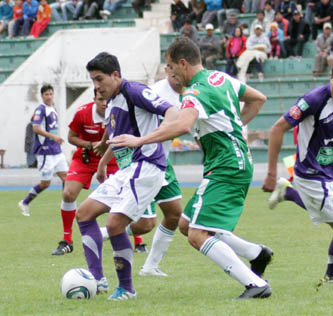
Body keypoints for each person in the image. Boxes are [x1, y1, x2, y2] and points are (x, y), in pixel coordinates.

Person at [108, 37, 274, 299]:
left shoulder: (196, 91)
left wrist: (140, 140)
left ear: (183, 64)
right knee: (186, 224)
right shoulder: (220, 78)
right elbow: (258, 99)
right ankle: (256, 254)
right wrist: (234, 127)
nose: (170, 74)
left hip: (226, 167)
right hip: (231, 162)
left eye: (172, 68)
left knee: (196, 234)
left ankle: (255, 284)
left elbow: (182, 125)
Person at [75, 52, 178, 300]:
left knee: (115, 224)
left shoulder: (135, 91)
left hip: (147, 166)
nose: (97, 86)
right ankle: (97, 280)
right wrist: (103, 161)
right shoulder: (112, 102)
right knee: (84, 213)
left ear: (116, 75)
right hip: (127, 170)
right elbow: (121, 137)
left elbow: (173, 112)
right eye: (93, 80)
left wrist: (145, 140)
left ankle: (127, 289)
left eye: (100, 79)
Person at [263, 58, 333, 287]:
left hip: (332, 174)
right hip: (310, 176)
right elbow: (277, 128)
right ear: (331, 76)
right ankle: (332, 279)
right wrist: (271, 172)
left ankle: (288, 193)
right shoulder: (313, 100)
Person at [101, 66, 185, 277]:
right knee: (146, 224)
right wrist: (104, 161)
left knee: (174, 214)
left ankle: (150, 267)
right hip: (142, 163)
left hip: (162, 162)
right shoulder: (150, 90)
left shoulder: (185, 91)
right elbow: (124, 133)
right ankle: (100, 234)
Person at [51, 90, 119, 256]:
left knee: (123, 197)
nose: (104, 103)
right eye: (101, 99)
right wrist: (89, 144)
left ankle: (137, 241)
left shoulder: (118, 112)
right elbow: (71, 137)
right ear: (94, 99)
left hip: (112, 158)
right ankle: (67, 241)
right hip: (85, 158)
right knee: (68, 193)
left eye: (107, 100)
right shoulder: (82, 113)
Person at [18, 84, 68, 217]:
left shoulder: (53, 109)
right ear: (42, 96)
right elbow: (36, 128)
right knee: (45, 183)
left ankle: (66, 206)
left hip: (56, 151)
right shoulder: (40, 110)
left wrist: (56, 139)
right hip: (45, 152)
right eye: (46, 94)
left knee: (66, 178)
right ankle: (25, 202)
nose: (49, 96)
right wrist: (54, 137)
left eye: (51, 94)